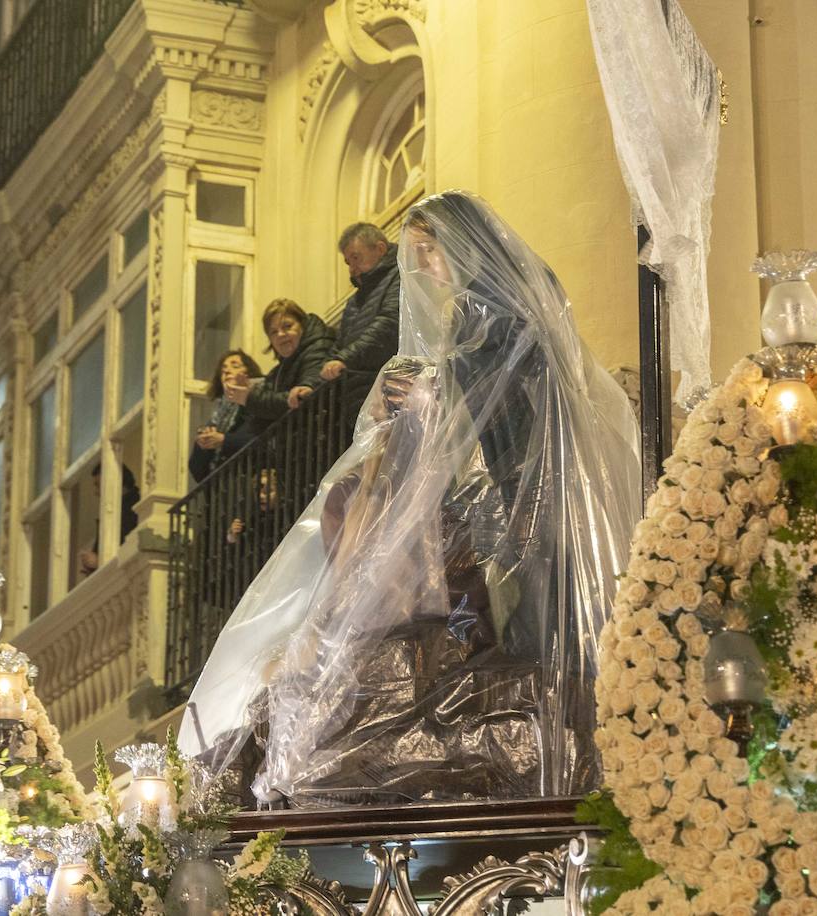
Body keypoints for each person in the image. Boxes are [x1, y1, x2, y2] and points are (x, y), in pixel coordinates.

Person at [181, 191, 641, 806]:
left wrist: (432, 388)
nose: (424, 268)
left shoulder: (509, 306)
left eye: (430, 251)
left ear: (463, 245)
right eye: (417, 255)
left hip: (521, 490)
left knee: (533, 615)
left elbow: (506, 383)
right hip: (486, 491)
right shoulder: (468, 319)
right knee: (356, 496)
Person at [321, 222, 402, 423]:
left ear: (380, 249)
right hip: (360, 396)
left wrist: (344, 360)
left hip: (386, 392)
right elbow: (341, 344)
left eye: (356, 258)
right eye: (348, 262)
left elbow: (389, 324)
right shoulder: (355, 299)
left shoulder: (400, 277)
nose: (352, 268)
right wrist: (315, 380)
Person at [225, 299, 334, 431]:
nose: (280, 334)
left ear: (302, 325)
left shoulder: (319, 347)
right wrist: (248, 396)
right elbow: (258, 426)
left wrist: (250, 398)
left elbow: (302, 397)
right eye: (273, 332)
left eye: (287, 326)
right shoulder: (278, 371)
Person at [190, 350, 263, 484]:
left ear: (249, 373)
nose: (227, 371)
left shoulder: (259, 402)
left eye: (235, 366)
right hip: (222, 491)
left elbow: (263, 441)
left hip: (249, 483)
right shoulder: (217, 415)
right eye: (223, 369)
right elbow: (197, 470)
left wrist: (224, 440)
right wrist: (204, 445)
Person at [77, 462, 141, 577]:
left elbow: (129, 550)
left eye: (98, 485)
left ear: (114, 482)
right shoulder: (122, 510)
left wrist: (99, 562)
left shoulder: (132, 510)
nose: (96, 492)